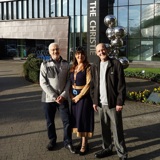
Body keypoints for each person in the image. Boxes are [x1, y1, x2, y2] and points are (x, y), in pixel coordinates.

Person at [90, 43, 128, 160]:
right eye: (99, 51)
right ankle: (107, 148)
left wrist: (119, 102)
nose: (101, 52)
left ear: (107, 50)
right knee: (104, 128)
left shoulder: (116, 64)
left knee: (117, 129)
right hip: (101, 104)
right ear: (96, 53)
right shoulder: (95, 66)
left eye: (103, 50)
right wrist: (95, 101)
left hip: (113, 104)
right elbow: (93, 86)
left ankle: (122, 153)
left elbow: (121, 86)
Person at [39, 42, 75, 154]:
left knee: (67, 121)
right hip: (48, 99)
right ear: (49, 52)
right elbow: (43, 83)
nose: (55, 51)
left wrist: (63, 95)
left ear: (60, 50)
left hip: (62, 99)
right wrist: (55, 96)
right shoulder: (45, 64)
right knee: (50, 121)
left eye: (57, 49)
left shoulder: (66, 64)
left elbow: (69, 80)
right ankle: (52, 140)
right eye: (53, 50)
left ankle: (68, 141)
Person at [69, 47, 94, 155]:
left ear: (85, 56)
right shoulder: (73, 67)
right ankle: (81, 142)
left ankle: (84, 145)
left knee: (83, 120)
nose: (80, 56)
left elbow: (89, 84)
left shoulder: (88, 67)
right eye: (78, 54)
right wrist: (70, 95)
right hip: (74, 98)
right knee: (77, 119)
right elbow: (70, 83)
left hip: (84, 98)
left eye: (82, 54)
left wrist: (79, 96)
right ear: (75, 55)